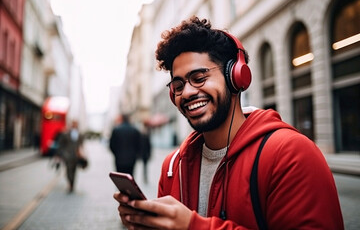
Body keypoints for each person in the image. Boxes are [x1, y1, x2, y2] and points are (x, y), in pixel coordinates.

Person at [113, 16, 344, 229]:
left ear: (236, 77)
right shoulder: (173, 166)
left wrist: (194, 226)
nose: (188, 92)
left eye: (199, 78)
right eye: (178, 85)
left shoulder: (291, 154)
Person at [57, 120, 85, 193]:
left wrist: (82, 154)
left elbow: (81, 145)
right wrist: (62, 154)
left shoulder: (80, 135)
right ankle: (70, 183)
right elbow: (61, 145)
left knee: (74, 171)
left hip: (76, 156)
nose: (75, 125)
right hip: (68, 155)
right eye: (73, 124)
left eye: (76, 124)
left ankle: (72, 184)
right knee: (68, 170)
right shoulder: (65, 134)